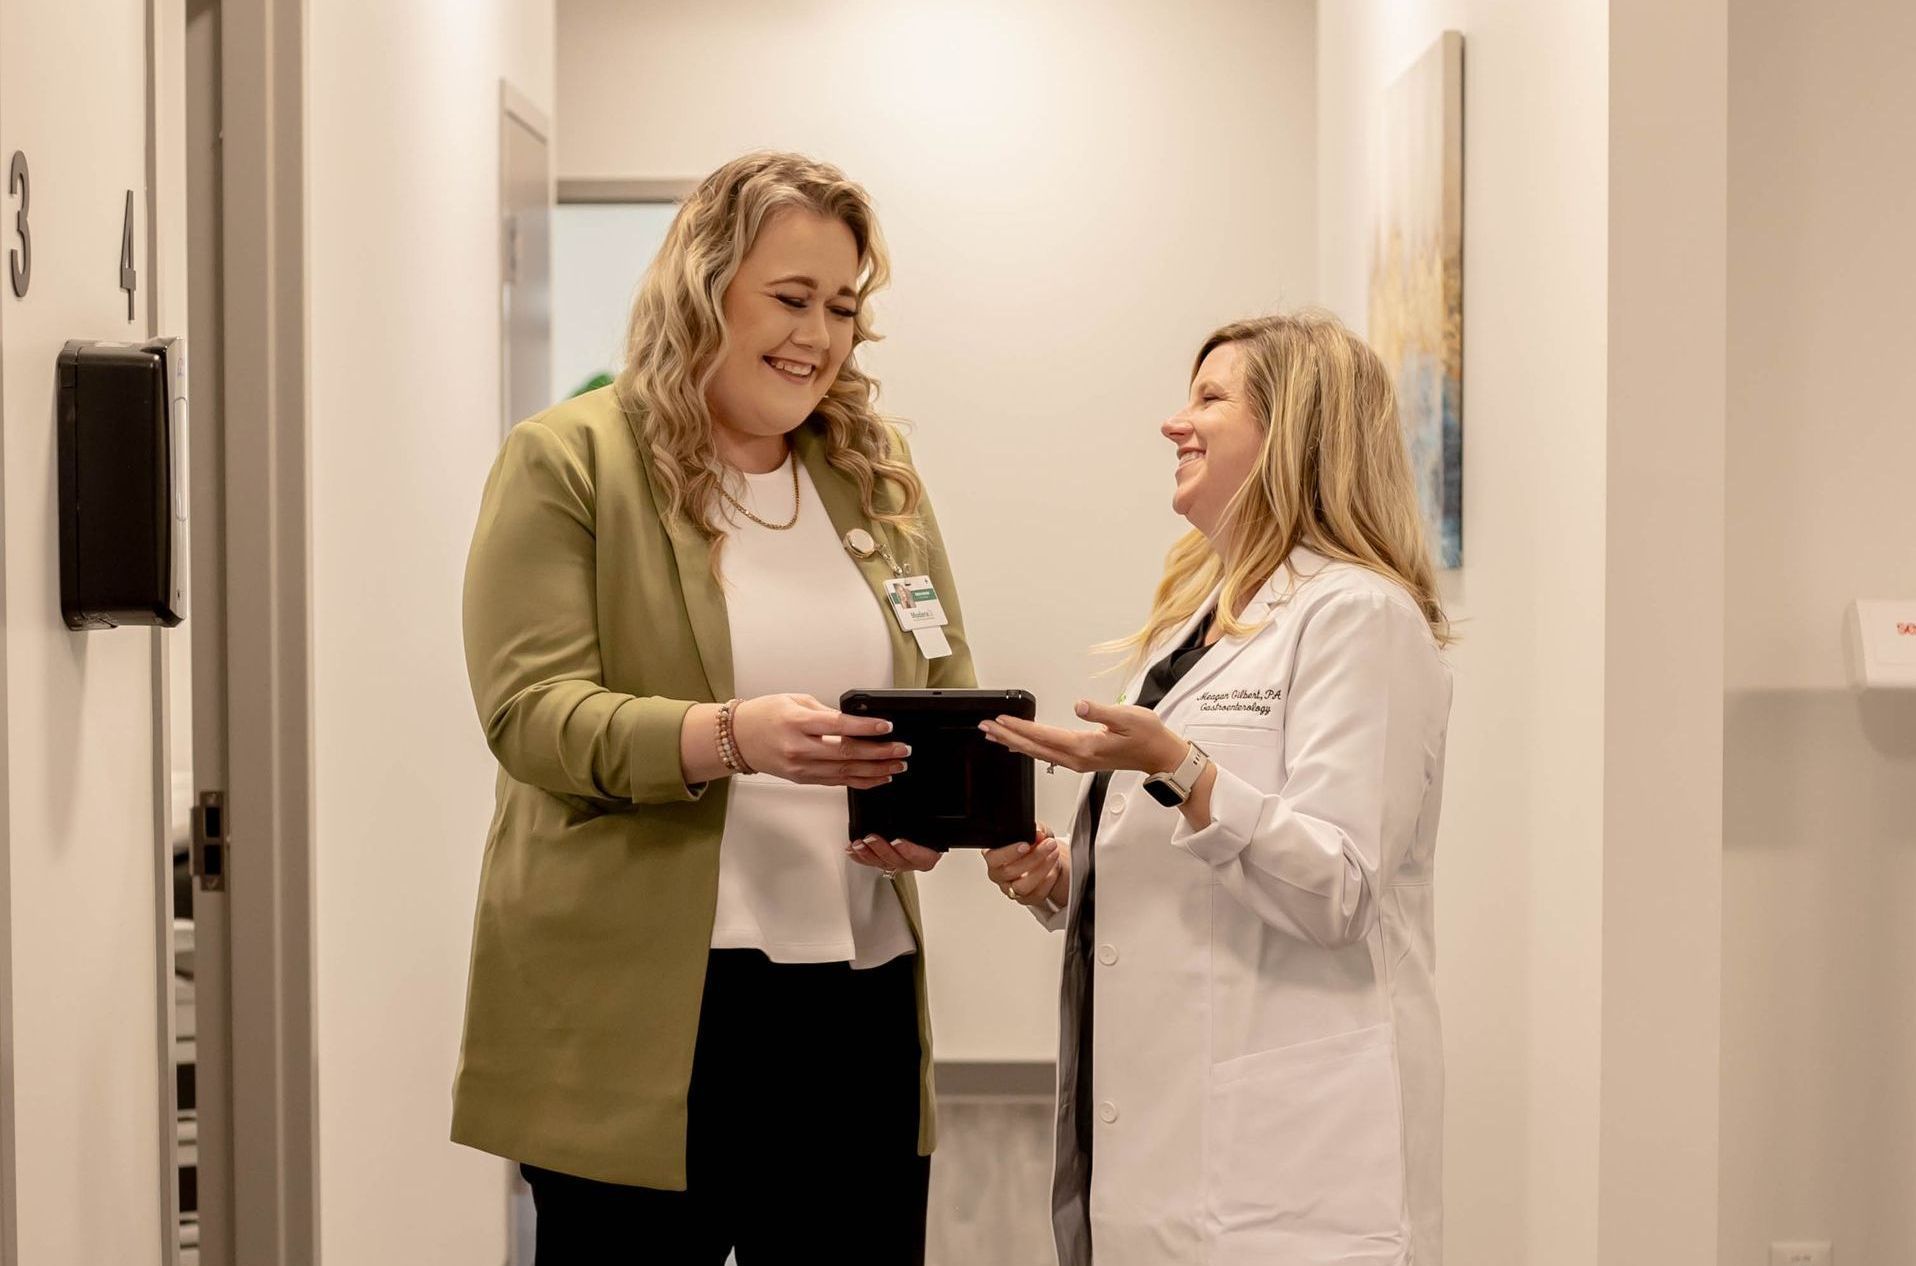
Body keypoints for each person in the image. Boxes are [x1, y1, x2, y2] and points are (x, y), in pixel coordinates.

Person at [454, 151, 970, 1264]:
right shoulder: (568, 461)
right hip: (652, 1009)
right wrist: (728, 736)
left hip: (856, 989)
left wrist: (943, 806)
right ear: (702, 286)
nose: (817, 335)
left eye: (841, 306)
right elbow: (530, 714)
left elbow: (939, 678)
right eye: (789, 298)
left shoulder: (876, 477)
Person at [978, 312, 1453, 1265]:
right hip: (1160, 1148)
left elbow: (1342, 889)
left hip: (1288, 1177)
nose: (1174, 424)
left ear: (1293, 434)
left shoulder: (1360, 617)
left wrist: (1180, 769)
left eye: (1209, 398)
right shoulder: (1195, 623)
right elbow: (1209, 871)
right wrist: (1069, 878)